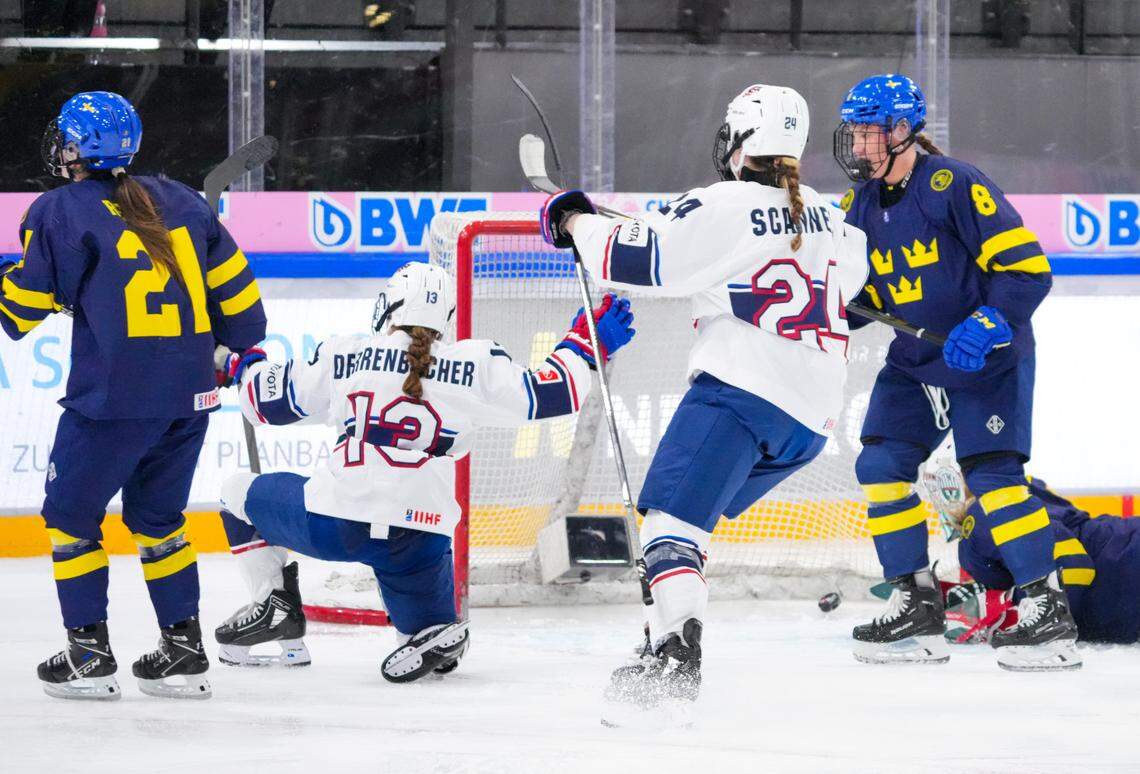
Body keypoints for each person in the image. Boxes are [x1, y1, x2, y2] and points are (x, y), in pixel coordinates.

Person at [541, 83, 869, 713]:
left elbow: (633, 258)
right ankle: (660, 633)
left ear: (742, 140)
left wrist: (571, 220)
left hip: (743, 394)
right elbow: (847, 284)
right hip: (810, 419)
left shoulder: (724, 203)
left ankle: (673, 658)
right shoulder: (833, 218)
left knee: (669, 526)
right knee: (689, 531)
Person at [212, 261, 636, 681]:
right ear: (446, 318)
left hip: (334, 522)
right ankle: (432, 634)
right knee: (425, 641)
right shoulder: (476, 362)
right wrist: (584, 343)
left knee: (234, 492)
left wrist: (242, 364)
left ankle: (276, 605)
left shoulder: (347, 353)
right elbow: (553, 393)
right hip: (417, 538)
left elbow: (264, 404)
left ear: (389, 306)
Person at [2, 91, 267, 700]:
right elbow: (242, 306)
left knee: (70, 519)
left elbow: (22, 310)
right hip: (190, 398)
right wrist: (237, 352)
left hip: (111, 403)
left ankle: (89, 655)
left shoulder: (59, 210)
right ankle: (183, 652)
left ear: (75, 149)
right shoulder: (183, 201)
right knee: (159, 521)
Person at [833, 73, 1076, 671]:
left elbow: (1028, 270)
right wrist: (826, 311)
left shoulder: (955, 184)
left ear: (900, 131)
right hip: (916, 363)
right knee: (880, 464)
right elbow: (862, 301)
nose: (858, 144)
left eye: (868, 132)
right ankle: (915, 600)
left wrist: (990, 324)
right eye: (854, 132)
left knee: (993, 478)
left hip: (985, 361)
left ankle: (1045, 608)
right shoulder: (855, 206)